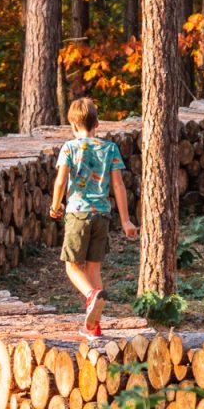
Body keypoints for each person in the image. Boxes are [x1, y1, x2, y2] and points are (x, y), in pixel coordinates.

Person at [49, 97, 137, 341]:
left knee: (71, 266)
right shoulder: (110, 149)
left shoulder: (69, 148)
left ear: (74, 126)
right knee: (93, 268)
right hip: (102, 215)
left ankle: (91, 296)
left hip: (78, 212)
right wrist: (126, 221)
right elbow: (118, 186)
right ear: (97, 123)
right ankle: (93, 327)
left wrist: (55, 206)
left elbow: (61, 181)